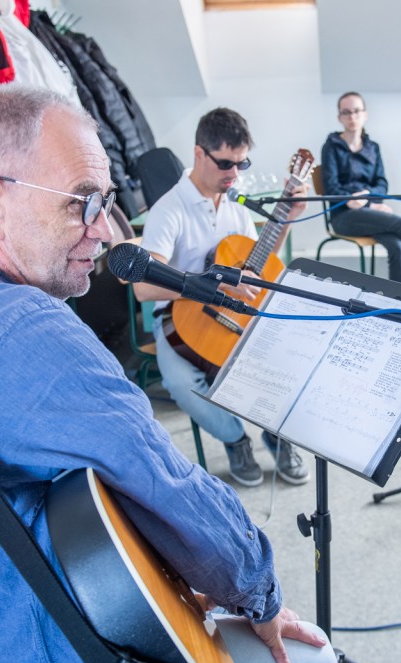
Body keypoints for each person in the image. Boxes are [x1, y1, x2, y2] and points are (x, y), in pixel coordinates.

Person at [0, 84, 337, 663]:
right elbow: (165, 483)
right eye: (82, 202)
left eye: (106, 203)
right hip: (25, 655)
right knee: (311, 661)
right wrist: (259, 593)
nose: (106, 230)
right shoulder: (21, 329)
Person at [136, 108, 312, 487]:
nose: (235, 173)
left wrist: (286, 218)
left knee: (288, 357)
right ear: (199, 153)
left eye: (242, 163)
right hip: (179, 320)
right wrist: (212, 284)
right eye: (226, 163)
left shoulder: (235, 202)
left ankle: (278, 435)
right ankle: (235, 439)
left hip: (235, 311)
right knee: (181, 384)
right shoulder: (169, 209)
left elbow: (257, 264)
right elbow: (143, 287)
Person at [321, 91, 401, 288]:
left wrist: (369, 201)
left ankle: (396, 297)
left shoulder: (373, 147)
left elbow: (382, 184)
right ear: (339, 117)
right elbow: (331, 187)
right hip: (342, 216)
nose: (352, 117)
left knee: (397, 245)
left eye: (356, 111)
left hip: (370, 213)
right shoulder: (331, 147)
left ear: (365, 114)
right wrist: (360, 202)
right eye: (346, 112)